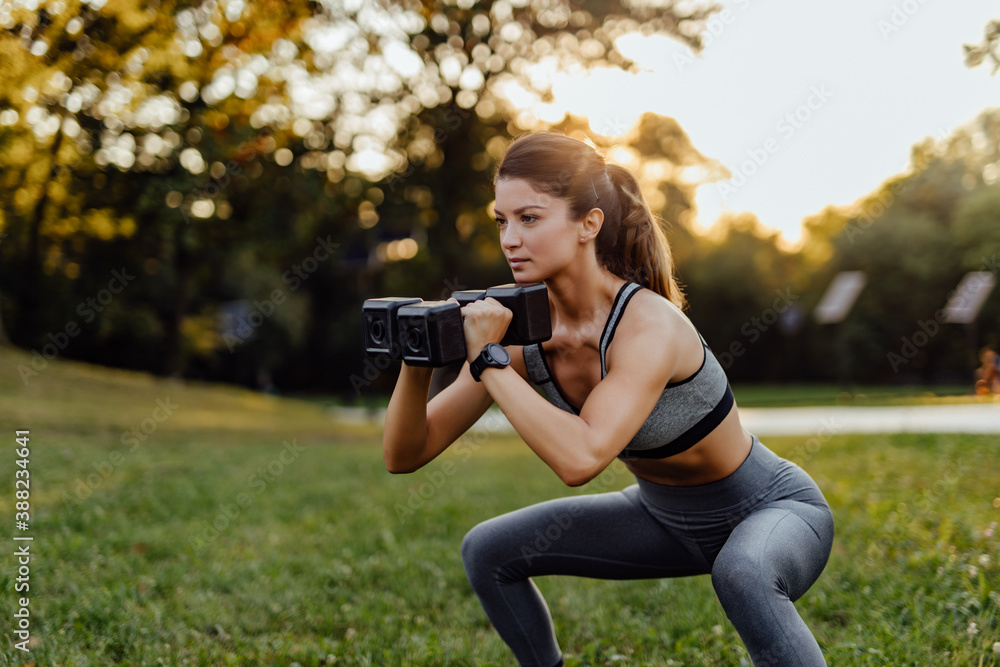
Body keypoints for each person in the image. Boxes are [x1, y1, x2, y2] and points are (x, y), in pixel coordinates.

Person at [382, 132, 834, 667]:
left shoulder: (648, 325)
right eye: (501, 220)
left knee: (744, 572)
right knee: (488, 551)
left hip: (770, 509)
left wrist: (488, 360)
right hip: (659, 518)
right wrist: (416, 359)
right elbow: (406, 454)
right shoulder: (517, 336)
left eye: (529, 218)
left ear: (588, 224)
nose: (509, 239)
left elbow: (581, 459)